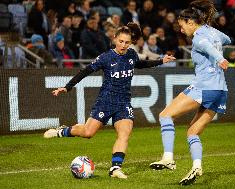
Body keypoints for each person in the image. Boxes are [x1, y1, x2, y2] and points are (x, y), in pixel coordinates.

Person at [43, 22, 175, 179]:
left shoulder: (131, 54)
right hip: (105, 101)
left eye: (127, 42)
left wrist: (161, 61)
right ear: (114, 39)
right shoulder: (105, 58)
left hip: (123, 103)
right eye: (121, 41)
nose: (123, 45)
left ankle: (115, 168)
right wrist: (67, 87)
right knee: (87, 132)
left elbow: (140, 64)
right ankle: (62, 131)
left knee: (124, 133)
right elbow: (85, 71)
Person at [149, 0, 231, 185]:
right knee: (193, 132)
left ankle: (168, 158)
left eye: (182, 25)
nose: (181, 30)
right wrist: (214, 37)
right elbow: (227, 40)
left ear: (191, 22)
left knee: (165, 115)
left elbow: (206, 46)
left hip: (204, 86)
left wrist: (220, 59)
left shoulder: (198, 36)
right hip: (221, 90)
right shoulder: (212, 32)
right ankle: (196, 166)